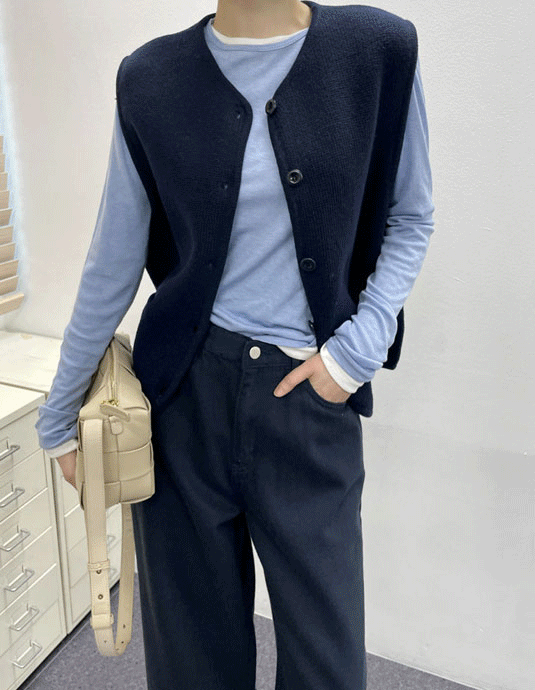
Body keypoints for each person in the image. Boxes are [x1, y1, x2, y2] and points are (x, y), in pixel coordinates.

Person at [36, 1, 435, 688]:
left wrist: (352, 355)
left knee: (327, 662)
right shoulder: (150, 78)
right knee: (191, 658)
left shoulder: (376, 50)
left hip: (309, 402)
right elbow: (113, 256)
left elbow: (411, 215)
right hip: (182, 402)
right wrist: (58, 413)